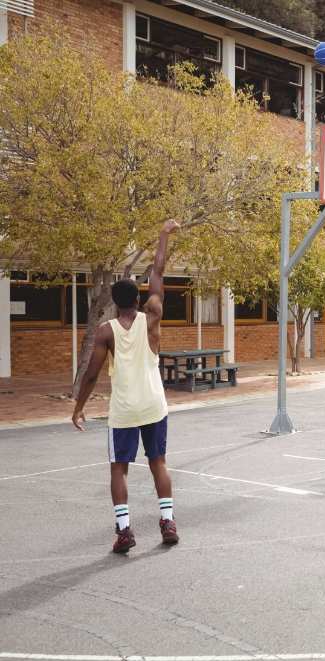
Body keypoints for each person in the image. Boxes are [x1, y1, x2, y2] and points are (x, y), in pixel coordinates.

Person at [72, 219, 180, 554]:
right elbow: (159, 272)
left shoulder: (106, 330)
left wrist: (78, 407)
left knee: (118, 469)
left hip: (124, 410)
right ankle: (168, 522)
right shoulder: (153, 317)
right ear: (139, 298)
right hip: (154, 405)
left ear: (114, 302)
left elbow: (91, 374)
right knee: (157, 462)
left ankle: (124, 531)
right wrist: (163, 235)